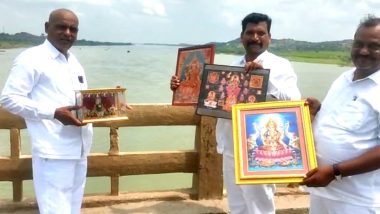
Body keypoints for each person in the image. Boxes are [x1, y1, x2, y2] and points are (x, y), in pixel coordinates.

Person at [171, 12, 300, 214]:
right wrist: (182, 87)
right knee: (237, 205)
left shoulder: (281, 65)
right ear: (242, 37)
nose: (255, 38)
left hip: (259, 149)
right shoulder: (232, 67)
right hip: (231, 145)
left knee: (259, 206)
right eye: (250, 33)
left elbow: (292, 102)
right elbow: (210, 99)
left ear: (269, 37)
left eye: (261, 33)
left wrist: (264, 78)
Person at [0, 9, 92, 214]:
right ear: (46, 28)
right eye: (62, 27)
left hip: (80, 149)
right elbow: (9, 98)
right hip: (53, 151)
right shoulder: (31, 58)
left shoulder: (73, 62)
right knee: (55, 209)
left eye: (73, 29)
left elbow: (81, 101)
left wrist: (113, 105)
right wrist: (53, 113)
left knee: (72, 208)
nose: (68, 33)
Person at [301, 15, 380, 214]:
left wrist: (334, 171)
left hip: (357, 201)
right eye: (358, 44)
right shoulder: (342, 79)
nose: (363, 51)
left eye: (374, 46)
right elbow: (340, 123)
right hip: (322, 192)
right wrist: (319, 110)